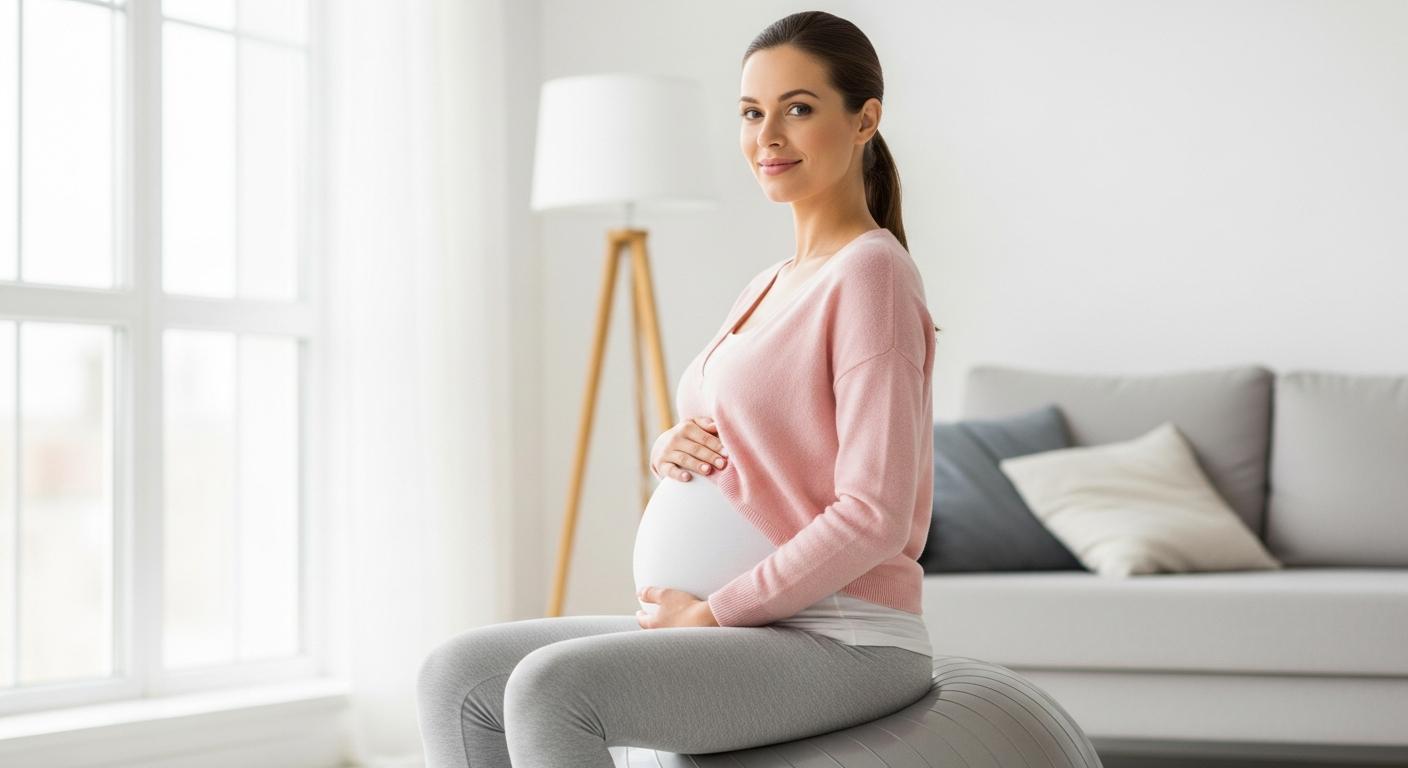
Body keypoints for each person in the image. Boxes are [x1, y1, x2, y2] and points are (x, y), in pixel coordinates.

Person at [416, 11, 938, 766]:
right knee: (456, 675)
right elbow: (747, 431)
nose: (769, 137)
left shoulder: (872, 274)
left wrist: (715, 612)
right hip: (747, 628)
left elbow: (874, 514)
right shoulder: (771, 282)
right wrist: (672, 445)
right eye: (751, 114)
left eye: (798, 108)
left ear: (865, 120)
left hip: (840, 635)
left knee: (549, 689)